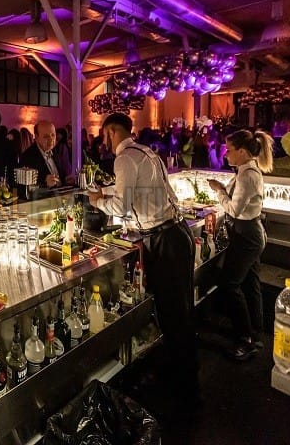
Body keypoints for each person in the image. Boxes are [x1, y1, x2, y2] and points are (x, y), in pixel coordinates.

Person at [87, 113, 198, 401]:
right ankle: (184, 378)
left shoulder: (124, 158)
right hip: (178, 233)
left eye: (105, 135)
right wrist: (108, 192)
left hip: (164, 241)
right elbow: (151, 193)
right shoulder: (147, 153)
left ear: (111, 131)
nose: (104, 141)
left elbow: (121, 207)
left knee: (173, 315)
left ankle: (184, 389)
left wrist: (98, 201)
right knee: (181, 311)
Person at [207, 129, 274, 361]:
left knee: (229, 283)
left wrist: (219, 191)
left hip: (247, 236)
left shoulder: (247, 175)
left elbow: (234, 210)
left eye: (229, 150)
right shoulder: (247, 171)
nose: (225, 154)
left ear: (243, 151)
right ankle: (255, 332)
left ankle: (245, 338)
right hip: (250, 233)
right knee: (250, 283)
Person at [20, 120, 65, 189]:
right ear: (36, 137)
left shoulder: (56, 151)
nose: (51, 140)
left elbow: (60, 177)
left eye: (53, 135)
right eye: (46, 136)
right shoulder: (28, 157)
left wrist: (65, 180)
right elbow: (24, 188)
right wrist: (45, 184)